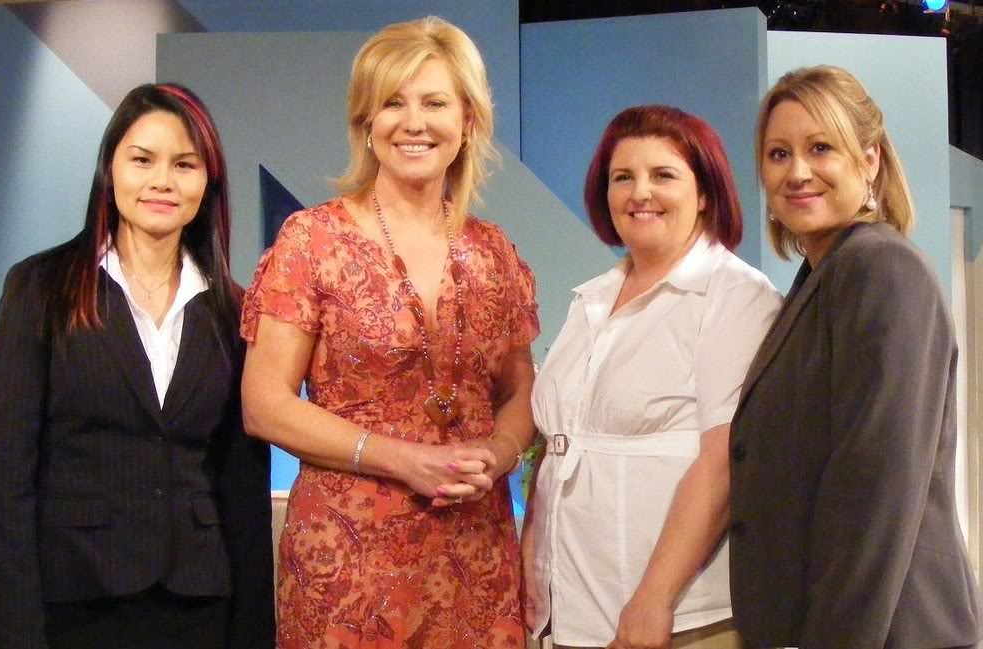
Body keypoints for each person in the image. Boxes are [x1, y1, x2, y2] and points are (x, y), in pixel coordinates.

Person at [239, 16, 539, 649]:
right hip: (348, 564)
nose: (414, 122)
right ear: (366, 122)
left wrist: (500, 453)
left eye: (435, 103)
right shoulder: (313, 240)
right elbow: (264, 404)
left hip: (475, 554)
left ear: (468, 121)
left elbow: (520, 392)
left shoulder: (494, 253)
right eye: (393, 103)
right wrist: (405, 460)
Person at [0, 83, 274, 649]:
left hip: (199, 608)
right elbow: (6, 484)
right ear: (109, 170)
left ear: (208, 182)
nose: (163, 181)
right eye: (142, 160)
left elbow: (242, 489)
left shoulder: (234, 309)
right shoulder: (41, 288)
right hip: (75, 601)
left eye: (184, 164)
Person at [729, 64, 982, 649]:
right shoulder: (825, 275)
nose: (797, 172)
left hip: (888, 628)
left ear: (869, 161)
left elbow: (877, 488)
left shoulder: (881, 268)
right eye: (778, 153)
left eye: (821, 148)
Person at [523, 105, 781, 649]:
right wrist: (532, 566)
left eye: (663, 175)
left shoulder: (736, 296)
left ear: (704, 192)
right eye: (623, 177)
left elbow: (724, 463)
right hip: (568, 611)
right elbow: (558, 447)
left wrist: (653, 599)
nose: (640, 192)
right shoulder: (591, 298)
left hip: (673, 619)